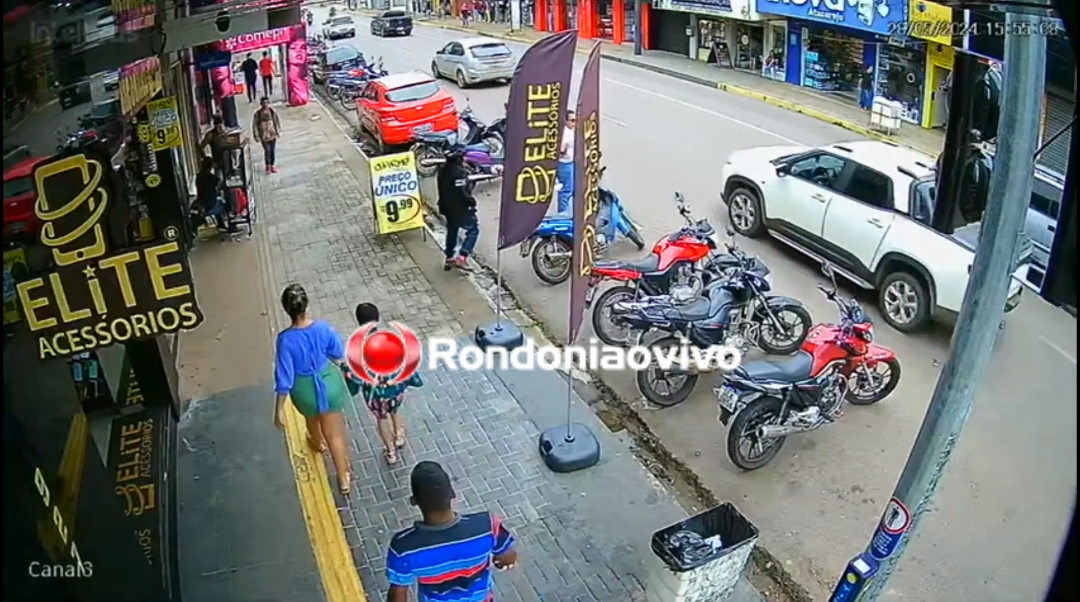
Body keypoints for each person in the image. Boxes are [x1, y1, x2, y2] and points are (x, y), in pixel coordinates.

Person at [386, 461, 518, 602]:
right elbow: (508, 557)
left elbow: (398, 593)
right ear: (453, 494)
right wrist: (501, 561)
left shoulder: (403, 547)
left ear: (414, 501)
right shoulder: (487, 526)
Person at [274, 284, 354, 495]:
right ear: (306, 305)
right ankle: (344, 477)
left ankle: (317, 443)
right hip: (329, 384)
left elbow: (284, 377)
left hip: (304, 391)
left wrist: (279, 408)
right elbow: (337, 354)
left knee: (312, 417)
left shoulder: (285, 340)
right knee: (335, 434)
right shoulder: (323, 328)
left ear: (286, 309)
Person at [351, 303, 423, 465]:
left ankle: (390, 452)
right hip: (394, 390)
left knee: (381, 419)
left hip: (375, 395)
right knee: (395, 410)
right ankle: (399, 434)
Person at [437, 149, 479, 270]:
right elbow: (462, 193)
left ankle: (449, 257)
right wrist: (471, 201)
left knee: (452, 231)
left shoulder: (442, 171)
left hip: (446, 207)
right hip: (461, 209)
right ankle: (462, 257)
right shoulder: (460, 173)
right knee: (473, 230)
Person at [195, 156, 235, 233]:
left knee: (218, 201)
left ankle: (221, 225)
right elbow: (221, 184)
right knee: (227, 203)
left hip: (202, 204)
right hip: (210, 205)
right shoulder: (212, 177)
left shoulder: (199, 176)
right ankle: (231, 225)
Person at [252, 97, 281, 174]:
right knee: (267, 150)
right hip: (263, 135)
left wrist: (277, 131)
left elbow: (276, 121)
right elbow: (254, 125)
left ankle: (272, 165)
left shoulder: (272, 111)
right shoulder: (257, 114)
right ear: (261, 104)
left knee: (272, 151)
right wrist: (256, 135)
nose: (265, 104)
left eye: (266, 103)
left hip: (272, 133)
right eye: (264, 103)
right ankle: (267, 165)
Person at [556, 110, 576, 213]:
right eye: (572, 120)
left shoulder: (571, 131)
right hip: (565, 163)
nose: (574, 123)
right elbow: (561, 150)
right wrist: (565, 151)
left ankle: (568, 210)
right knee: (567, 189)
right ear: (566, 121)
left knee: (572, 187)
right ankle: (563, 212)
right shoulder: (565, 134)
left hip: (571, 162)